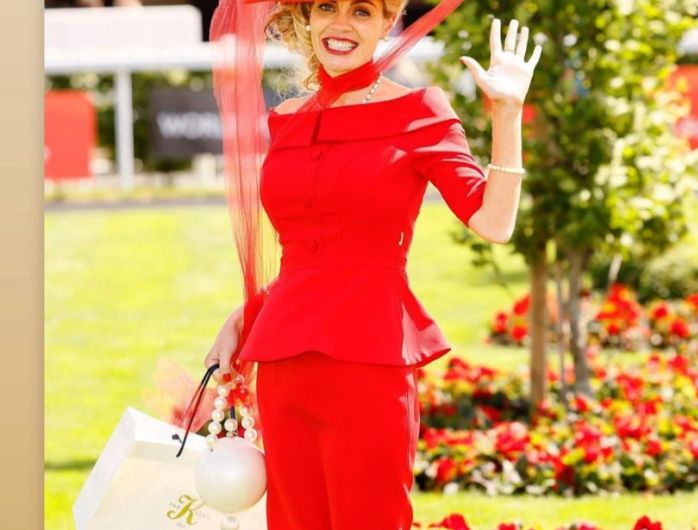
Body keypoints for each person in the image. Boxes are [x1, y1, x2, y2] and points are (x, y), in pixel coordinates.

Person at [202, 1, 541, 528]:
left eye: (361, 11)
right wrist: (247, 314)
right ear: (306, 19)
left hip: (370, 361)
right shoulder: (286, 120)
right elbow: (309, 249)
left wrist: (508, 114)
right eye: (326, 7)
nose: (340, 24)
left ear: (387, 24)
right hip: (285, 364)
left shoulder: (419, 110)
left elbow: (493, 223)